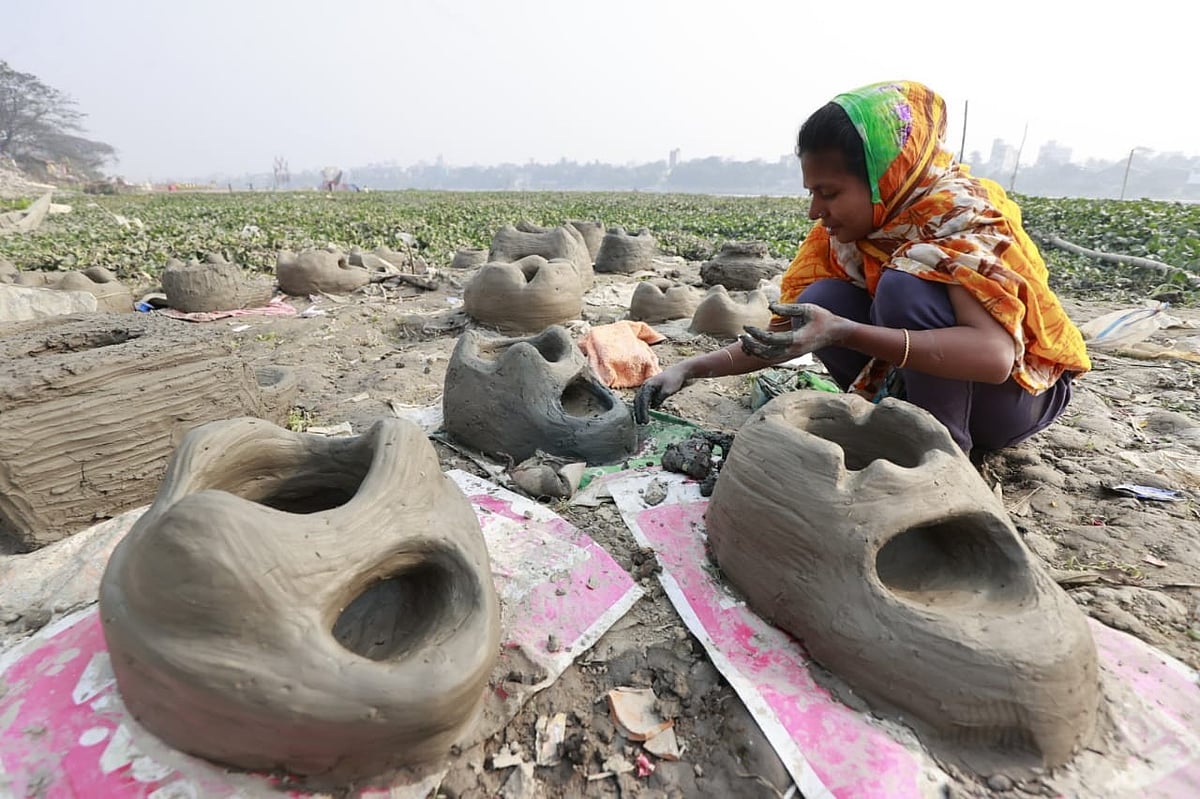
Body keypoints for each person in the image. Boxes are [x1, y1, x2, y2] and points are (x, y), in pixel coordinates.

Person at [635, 80, 1091, 455]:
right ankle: (905, 427)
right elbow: (789, 336)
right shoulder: (854, 237)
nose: (816, 211)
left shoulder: (958, 218)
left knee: (902, 288)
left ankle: (944, 452)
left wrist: (845, 333)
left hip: (1012, 401)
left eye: (829, 193)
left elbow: (994, 360)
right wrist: (691, 369)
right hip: (929, 379)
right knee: (821, 300)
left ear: (883, 178)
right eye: (811, 193)